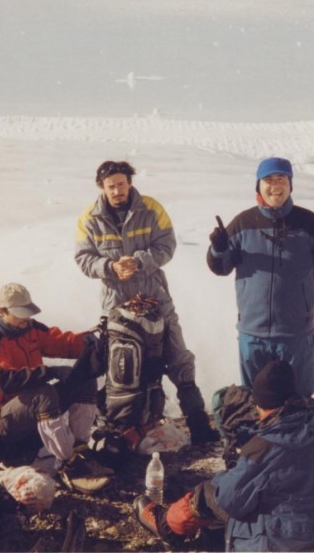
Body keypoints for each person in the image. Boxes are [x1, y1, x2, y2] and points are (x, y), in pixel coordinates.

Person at [74, 160, 219, 444]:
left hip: (155, 298)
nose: (117, 191)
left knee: (178, 358)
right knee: (123, 367)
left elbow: (167, 245)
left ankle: (198, 424)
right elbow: (83, 259)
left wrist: (140, 262)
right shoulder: (89, 218)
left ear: (129, 183)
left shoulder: (151, 208)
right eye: (111, 186)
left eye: (121, 184)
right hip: (116, 303)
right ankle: (126, 431)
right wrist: (110, 267)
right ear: (102, 187)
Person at [134, 360, 314, 551]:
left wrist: (226, 476)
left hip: (282, 544)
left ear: (260, 404)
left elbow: (229, 499)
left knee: (208, 494)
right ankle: (213, 539)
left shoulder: (266, 445)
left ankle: (166, 526)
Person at [207, 156, 314, 398]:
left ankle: (302, 435)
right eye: (268, 179)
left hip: (296, 334)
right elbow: (220, 267)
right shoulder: (243, 223)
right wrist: (218, 248)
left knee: (300, 398)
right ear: (258, 185)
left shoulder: (308, 223)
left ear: (290, 184)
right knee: (256, 400)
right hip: (252, 334)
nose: (275, 185)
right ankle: (259, 437)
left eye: (281, 179)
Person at [0, 282, 111, 493]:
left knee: (85, 378)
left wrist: (89, 340)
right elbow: (5, 380)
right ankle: (68, 465)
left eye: (28, 312)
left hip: (29, 416)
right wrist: (52, 372)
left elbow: (63, 342)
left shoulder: (30, 329)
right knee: (43, 394)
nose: (26, 319)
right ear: (1, 311)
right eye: (20, 314)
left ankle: (79, 451)